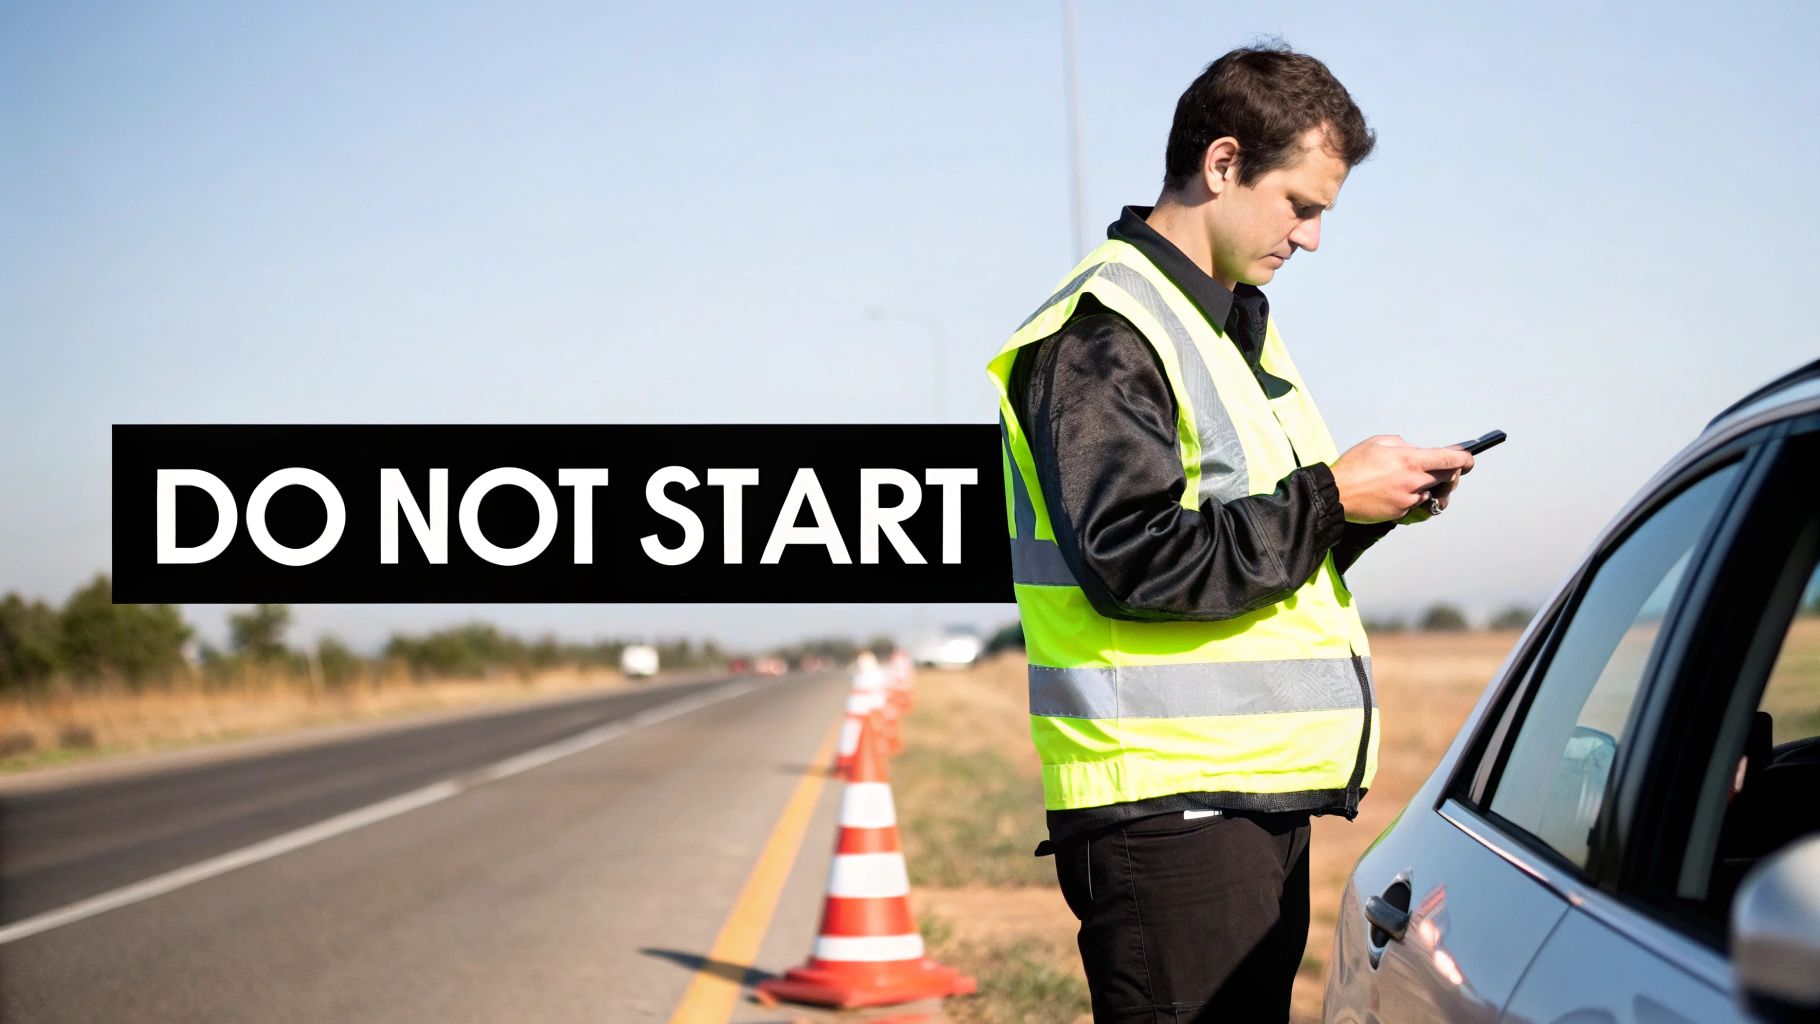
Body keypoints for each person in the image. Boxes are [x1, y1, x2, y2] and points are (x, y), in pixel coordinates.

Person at [983, 43, 1474, 1022]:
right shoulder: (1104, 329)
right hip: (1166, 813)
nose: (1312, 237)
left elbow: (1244, 550)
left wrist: (1364, 510)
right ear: (1220, 164)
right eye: (1300, 203)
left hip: (1235, 804)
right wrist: (1329, 497)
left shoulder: (1222, 327)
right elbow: (1133, 557)